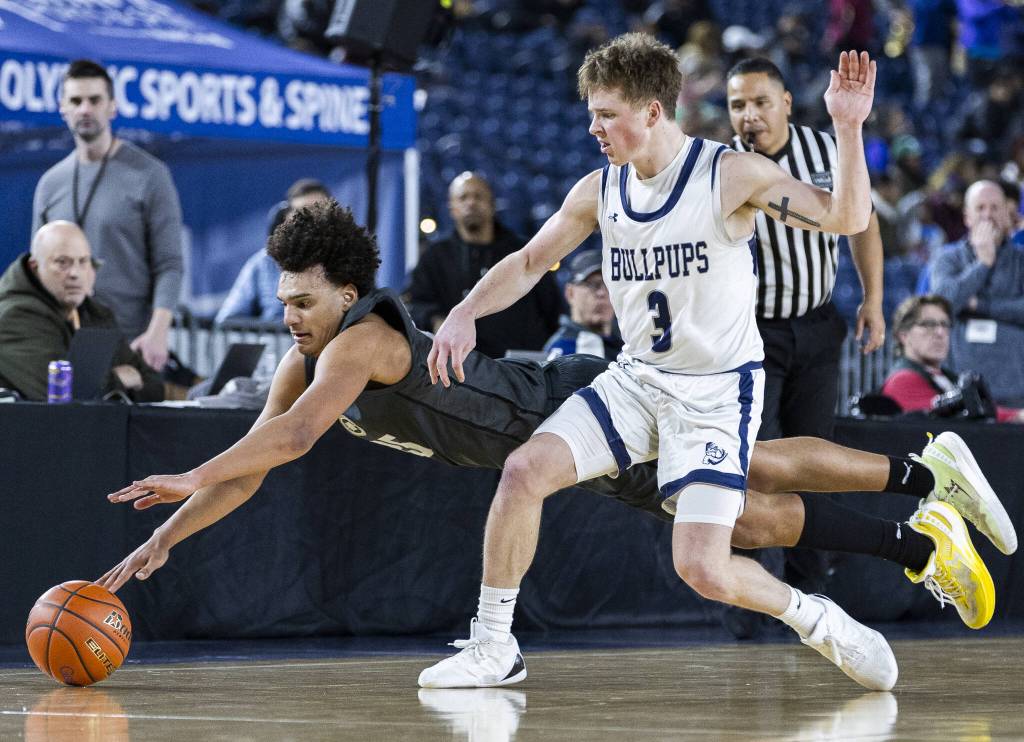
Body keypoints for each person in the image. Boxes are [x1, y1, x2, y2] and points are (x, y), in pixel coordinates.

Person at [97, 202, 1009, 647]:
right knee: (756, 510)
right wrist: (171, 536)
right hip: (559, 436)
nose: (289, 315)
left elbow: (290, 442)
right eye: (283, 302)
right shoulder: (306, 356)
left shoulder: (361, 342)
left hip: (569, 409)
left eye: (302, 300)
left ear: (343, 289)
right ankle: (921, 521)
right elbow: (256, 465)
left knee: (758, 485)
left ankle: (925, 483)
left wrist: (183, 473)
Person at [419, 36, 903, 690]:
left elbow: (847, 216)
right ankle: (492, 647)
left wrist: (848, 127)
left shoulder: (729, 175)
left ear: (652, 111)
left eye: (606, 113)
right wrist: (466, 311)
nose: (594, 127)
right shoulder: (601, 189)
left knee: (702, 568)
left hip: (714, 393)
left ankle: (817, 617)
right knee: (524, 471)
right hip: (636, 380)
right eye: (590, 113)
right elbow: (532, 260)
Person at [724, 56, 888, 629]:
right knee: (750, 467)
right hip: (750, 338)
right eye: (737, 105)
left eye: (760, 102)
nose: (749, 115)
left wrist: (873, 298)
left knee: (815, 461)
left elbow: (864, 221)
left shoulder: (827, 150)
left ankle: (813, 600)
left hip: (817, 326)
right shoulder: (722, 167)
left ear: (788, 102)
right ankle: (747, 600)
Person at [32, 60, 184, 372]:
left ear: (112, 107)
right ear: (63, 108)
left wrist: (158, 332)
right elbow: (38, 269)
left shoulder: (150, 175)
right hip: (61, 341)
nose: (85, 109)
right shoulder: (50, 184)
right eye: (75, 101)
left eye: (94, 100)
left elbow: (169, 264)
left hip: (130, 341)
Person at [0, 222, 163, 402]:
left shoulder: (94, 313)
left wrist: (110, 382)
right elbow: (61, 392)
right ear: (34, 266)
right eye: (62, 262)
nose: (75, 273)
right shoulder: (14, 316)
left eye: (83, 261)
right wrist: (123, 377)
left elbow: (154, 386)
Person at [407, 172, 562, 358]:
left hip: (520, 366)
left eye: (478, 196)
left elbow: (553, 310)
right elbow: (415, 305)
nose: (471, 203)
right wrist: (435, 319)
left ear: (492, 204)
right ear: (452, 208)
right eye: (463, 197)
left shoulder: (523, 252)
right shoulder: (435, 256)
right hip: (460, 366)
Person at [930, 179, 1024, 407]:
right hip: (960, 385)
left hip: (1015, 388)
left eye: (995, 207)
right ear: (967, 216)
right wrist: (982, 263)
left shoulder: (1021, 260)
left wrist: (978, 305)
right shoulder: (948, 258)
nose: (988, 215)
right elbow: (942, 304)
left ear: (1007, 213)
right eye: (980, 208)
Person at [883, 295, 1024, 422]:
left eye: (944, 324)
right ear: (904, 335)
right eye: (928, 324)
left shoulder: (948, 377)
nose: (940, 332)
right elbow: (948, 417)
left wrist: (1016, 415)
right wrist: (1014, 416)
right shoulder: (902, 379)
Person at [215, 179, 333, 324]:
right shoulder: (263, 263)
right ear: (287, 218)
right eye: (301, 212)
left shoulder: (348, 258)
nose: (310, 219)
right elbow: (228, 319)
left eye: (318, 210)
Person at [544, 250, 621, 360]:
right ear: (570, 293)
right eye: (593, 284)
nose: (602, 293)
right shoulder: (562, 351)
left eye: (609, 284)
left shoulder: (629, 345)